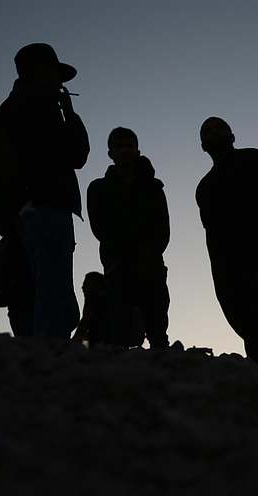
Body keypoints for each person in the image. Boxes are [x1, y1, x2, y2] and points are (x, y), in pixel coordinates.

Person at [0, 43, 90, 339]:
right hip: (47, 205)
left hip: (19, 213)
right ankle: (49, 357)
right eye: (55, 72)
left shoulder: (9, 105)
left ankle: (36, 356)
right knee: (53, 292)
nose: (60, 82)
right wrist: (70, 113)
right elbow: (77, 154)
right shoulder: (40, 100)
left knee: (39, 290)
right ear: (41, 70)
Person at [196, 117, 258, 366]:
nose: (214, 131)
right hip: (225, 262)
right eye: (207, 130)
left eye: (219, 127)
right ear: (202, 144)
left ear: (232, 135)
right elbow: (210, 229)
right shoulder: (204, 186)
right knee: (241, 318)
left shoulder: (251, 158)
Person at [87, 128, 170, 348]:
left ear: (137, 151)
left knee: (158, 334)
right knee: (119, 334)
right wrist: (136, 252)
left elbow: (162, 229)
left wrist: (149, 254)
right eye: (119, 146)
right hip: (118, 267)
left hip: (152, 266)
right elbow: (101, 228)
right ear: (110, 153)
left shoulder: (154, 188)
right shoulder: (98, 188)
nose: (124, 150)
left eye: (129, 146)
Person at [72, 271, 112, 346]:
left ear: (97, 285)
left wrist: (75, 339)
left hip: (100, 346)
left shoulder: (93, 296)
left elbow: (87, 318)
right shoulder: (108, 300)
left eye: (86, 284)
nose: (82, 287)